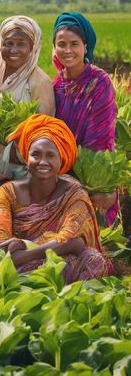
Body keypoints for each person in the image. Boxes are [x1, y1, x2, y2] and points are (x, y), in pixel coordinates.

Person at [0, 114, 113, 283]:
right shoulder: (7, 192)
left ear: (61, 159)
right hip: (24, 265)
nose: (42, 161)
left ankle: (71, 304)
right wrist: (52, 248)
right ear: (26, 157)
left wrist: (25, 249)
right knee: (12, 269)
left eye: (50, 155)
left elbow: (72, 241)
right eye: (36, 154)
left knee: (94, 261)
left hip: (48, 259)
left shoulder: (74, 194)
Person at [52, 12, 118, 226]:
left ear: (85, 46)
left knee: (97, 234)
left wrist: (92, 184)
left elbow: (101, 137)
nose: (68, 51)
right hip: (63, 168)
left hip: (92, 170)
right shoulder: (57, 83)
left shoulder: (100, 81)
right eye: (61, 44)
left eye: (74, 44)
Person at [0, 15, 55, 180]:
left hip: (20, 170)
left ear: (32, 48)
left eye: (21, 44)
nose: (13, 50)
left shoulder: (39, 81)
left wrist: (15, 152)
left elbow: (43, 129)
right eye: (8, 43)